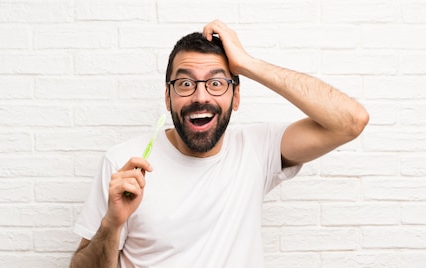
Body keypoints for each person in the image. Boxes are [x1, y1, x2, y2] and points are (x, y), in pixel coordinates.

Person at [70, 19, 369, 268]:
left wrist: (247, 63)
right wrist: (111, 224)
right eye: (185, 84)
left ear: (235, 97)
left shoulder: (258, 149)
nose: (201, 97)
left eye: (216, 83)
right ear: (167, 97)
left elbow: (350, 121)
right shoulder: (122, 164)